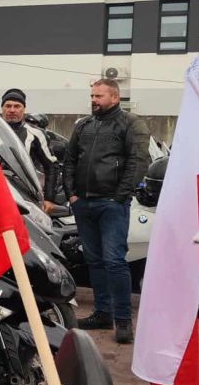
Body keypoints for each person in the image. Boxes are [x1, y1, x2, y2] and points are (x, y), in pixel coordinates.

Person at [63, 78, 150, 344]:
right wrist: (72, 195)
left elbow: (138, 162)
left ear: (115, 97)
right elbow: (69, 159)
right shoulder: (84, 125)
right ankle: (102, 313)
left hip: (111, 204)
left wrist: (118, 196)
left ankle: (123, 321)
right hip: (84, 203)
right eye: (92, 95)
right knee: (94, 260)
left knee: (114, 260)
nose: (94, 100)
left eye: (99, 96)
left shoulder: (131, 123)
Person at [0, 89, 59, 211]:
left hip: (27, 195)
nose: (12, 110)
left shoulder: (36, 133)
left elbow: (51, 166)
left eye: (17, 106)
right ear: (2, 108)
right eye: (8, 106)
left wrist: (49, 198)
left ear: (24, 109)